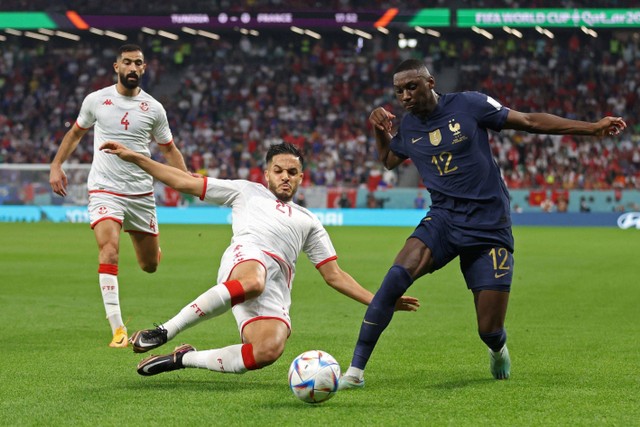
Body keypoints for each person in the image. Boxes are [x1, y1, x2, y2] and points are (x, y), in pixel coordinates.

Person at [339, 58, 627, 389]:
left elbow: (530, 121)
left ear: (430, 83)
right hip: (444, 219)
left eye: (411, 86)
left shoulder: (469, 104)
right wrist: (379, 130)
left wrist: (591, 127)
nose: (404, 96)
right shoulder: (409, 127)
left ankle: (498, 347)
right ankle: (355, 372)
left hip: (489, 224)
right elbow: (390, 160)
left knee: (488, 329)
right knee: (392, 281)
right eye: (398, 91)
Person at [99, 141, 420, 376]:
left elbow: (334, 275)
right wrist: (137, 157)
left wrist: (381, 301)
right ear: (266, 173)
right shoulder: (246, 191)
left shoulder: (309, 220)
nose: (285, 176)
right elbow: (183, 181)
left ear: (301, 177)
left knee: (268, 351)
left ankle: (183, 359)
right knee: (254, 279)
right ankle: (166, 331)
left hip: (275, 288)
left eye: (292, 172)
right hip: (246, 261)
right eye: (278, 170)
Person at [49, 44, 188, 348]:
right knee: (109, 250)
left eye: (138, 63)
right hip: (104, 188)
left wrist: (187, 181)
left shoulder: (153, 108)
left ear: (144, 68)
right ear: (116, 66)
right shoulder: (97, 100)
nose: (133, 68)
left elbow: (168, 150)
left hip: (140, 192)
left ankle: (152, 246)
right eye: (127, 62)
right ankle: (118, 328)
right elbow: (75, 133)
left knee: (149, 266)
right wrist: (57, 164)